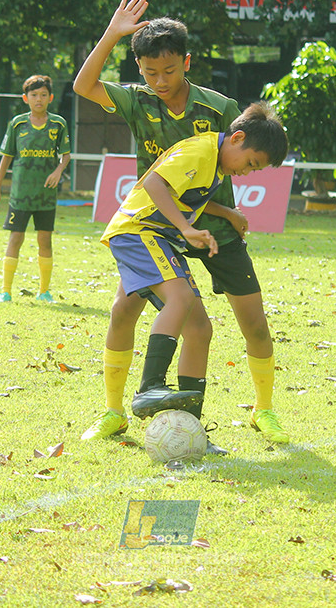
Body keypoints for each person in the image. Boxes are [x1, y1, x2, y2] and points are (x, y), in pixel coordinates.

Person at [74, 0, 290, 449]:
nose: (160, 81)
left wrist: (225, 213)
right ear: (140, 69)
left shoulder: (219, 109)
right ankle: (114, 411)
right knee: (125, 310)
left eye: (168, 72)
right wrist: (113, 34)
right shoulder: (136, 102)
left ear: (186, 63)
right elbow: (83, 85)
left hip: (213, 227)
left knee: (253, 323)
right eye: (150, 73)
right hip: (157, 226)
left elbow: (227, 166)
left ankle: (263, 410)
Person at [98, 103, 288, 453]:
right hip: (139, 231)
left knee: (200, 329)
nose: (248, 172)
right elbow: (154, 182)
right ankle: (150, 386)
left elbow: (185, 195)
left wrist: (225, 212)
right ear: (238, 138)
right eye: (250, 163)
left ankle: (192, 429)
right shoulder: (201, 150)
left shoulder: (214, 164)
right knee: (180, 299)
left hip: (156, 236)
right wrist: (185, 228)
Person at [0, 75, 71, 303]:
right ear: (26, 98)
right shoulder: (17, 123)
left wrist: (58, 171)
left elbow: (66, 155)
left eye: (43, 95)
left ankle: (44, 291)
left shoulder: (58, 124)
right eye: (34, 95)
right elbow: (6, 158)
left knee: (45, 240)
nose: (39, 99)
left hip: (46, 195)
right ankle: (5, 291)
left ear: (50, 98)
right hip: (20, 194)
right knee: (16, 238)